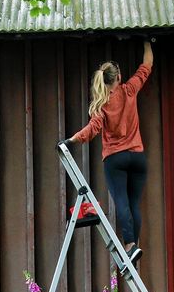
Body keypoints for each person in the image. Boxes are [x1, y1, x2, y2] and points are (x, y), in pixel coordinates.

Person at [64, 40, 154, 267]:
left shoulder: (102, 104)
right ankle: (133, 247)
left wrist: (72, 139)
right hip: (137, 156)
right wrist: (146, 42)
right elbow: (147, 66)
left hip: (115, 158)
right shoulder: (130, 89)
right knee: (134, 204)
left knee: (122, 202)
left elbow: (92, 129)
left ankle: (130, 246)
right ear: (119, 77)